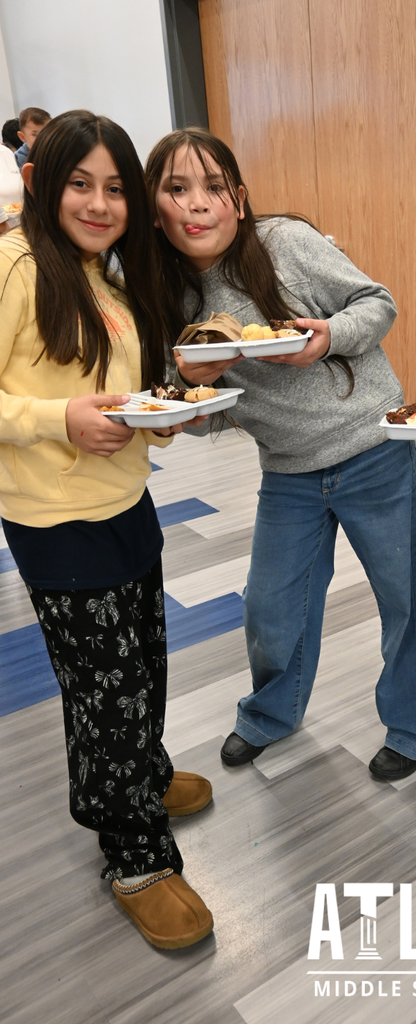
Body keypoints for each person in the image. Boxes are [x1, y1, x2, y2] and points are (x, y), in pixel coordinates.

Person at [145, 128, 416, 782]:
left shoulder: (284, 245)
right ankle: (270, 714)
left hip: (372, 451)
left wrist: (328, 338)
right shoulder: (167, 296)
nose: (197, 205)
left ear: (240, 200)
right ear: (155, 207)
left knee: (403, 599)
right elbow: (198, 421)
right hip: (286, 472)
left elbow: (380, 304)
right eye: (176, 189)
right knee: (269, 605)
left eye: (213, 189)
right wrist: (197, 385)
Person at [0, 110, 214, 948]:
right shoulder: (16, 265)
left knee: (142, 667)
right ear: (43, 182)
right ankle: (134, 855)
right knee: (104, 692)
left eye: (116, 187)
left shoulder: (110, 277)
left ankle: (140, 778)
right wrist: (59, 419)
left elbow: (121, 395)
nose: (98, 203)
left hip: (129, 502)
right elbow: (55, 406)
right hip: (56, 521)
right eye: (80, 184)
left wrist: (160, 416)